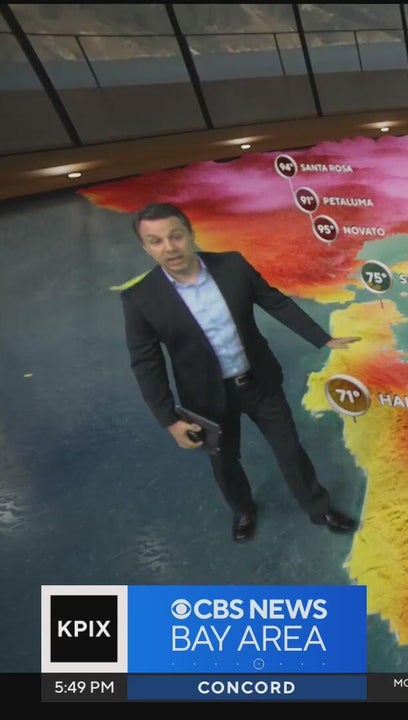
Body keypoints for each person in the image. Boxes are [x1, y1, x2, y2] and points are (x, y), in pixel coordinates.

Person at [121, 202, 361, 543]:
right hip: (206, 399)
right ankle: (243, 510)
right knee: (225, 461)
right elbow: (147, 364)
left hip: (258, 381)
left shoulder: (232, 265)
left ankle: (318, 508)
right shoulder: (140, 299)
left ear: (190, 234)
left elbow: (274, 301)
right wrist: (169, 419)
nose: (169, 247)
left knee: (289, 449)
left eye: (176, 236)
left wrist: (322, 338)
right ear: (146, 248)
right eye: (156, 241)